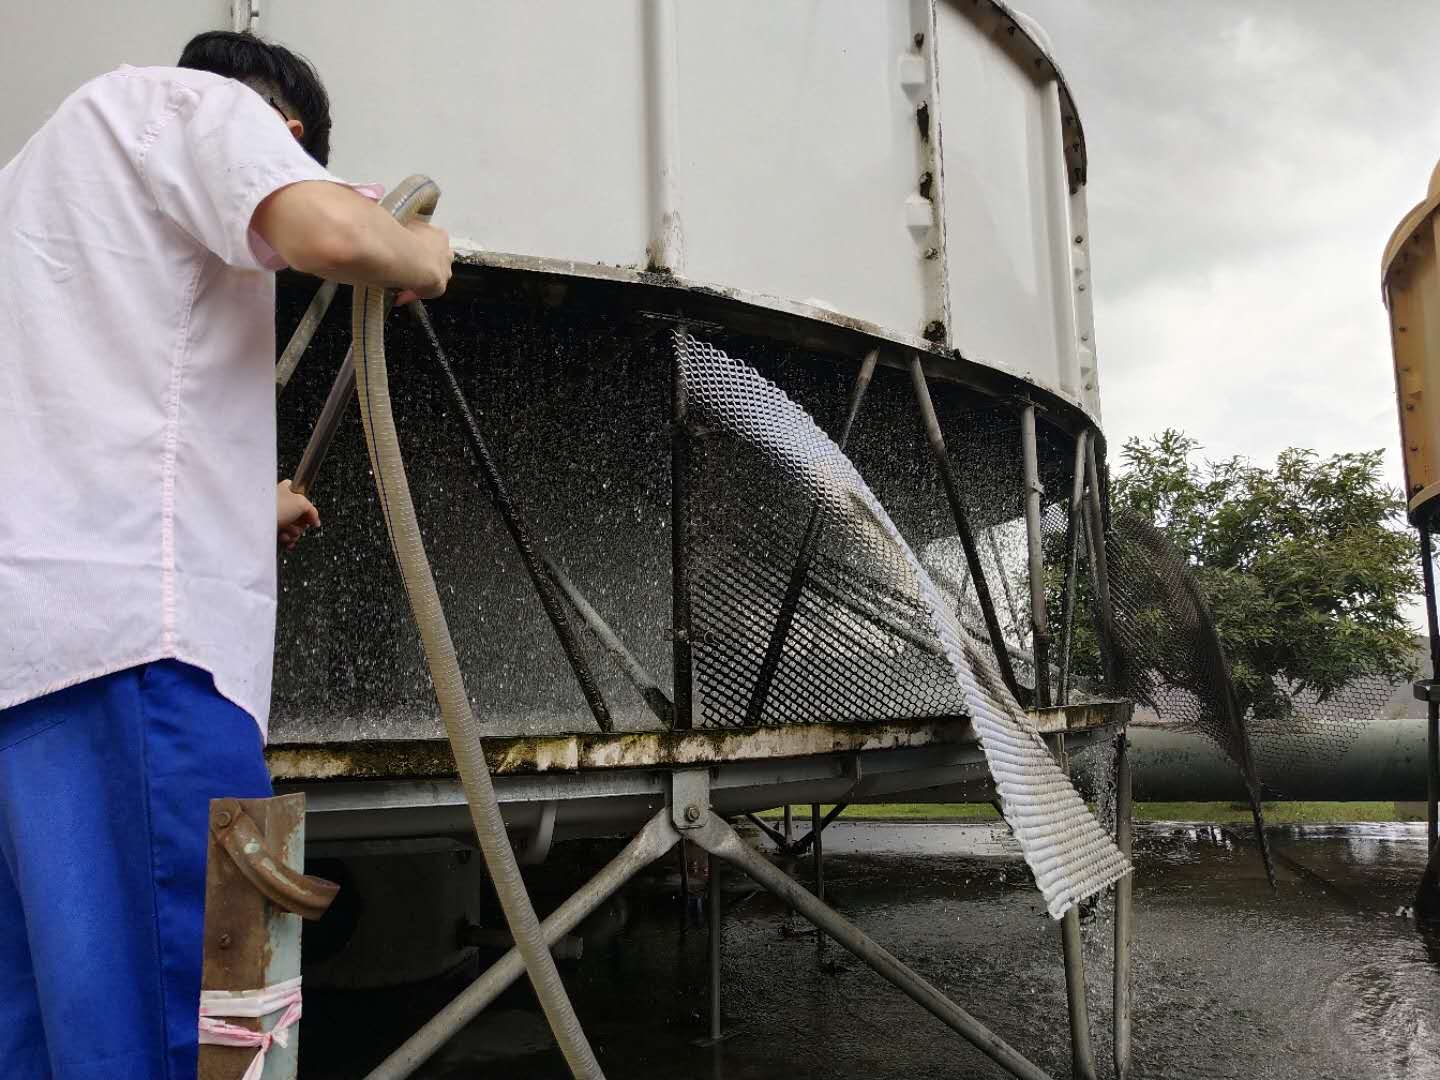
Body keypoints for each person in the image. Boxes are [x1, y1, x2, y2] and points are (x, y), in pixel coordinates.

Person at [0, 29, 453, 1080]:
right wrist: (425, 252)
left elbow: (79, 438)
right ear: (281, 131)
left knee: (51, 1040)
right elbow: (332, 233)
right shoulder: (189, 107)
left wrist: (237, 509)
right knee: (198, 1033)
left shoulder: (26, 193)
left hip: (29, 686)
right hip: (145, 676)